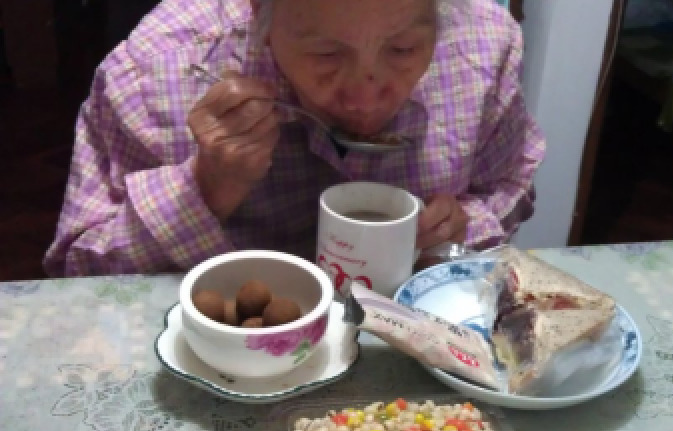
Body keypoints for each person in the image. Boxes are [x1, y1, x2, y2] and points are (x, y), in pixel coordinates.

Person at [44, 0, 545, 276]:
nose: (365, 96)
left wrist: (462, 225)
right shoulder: (154, 73)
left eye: (403, 49)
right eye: (326, 54)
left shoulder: (485, 44)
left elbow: (509, 188)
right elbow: (77, 270)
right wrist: (203, 187)